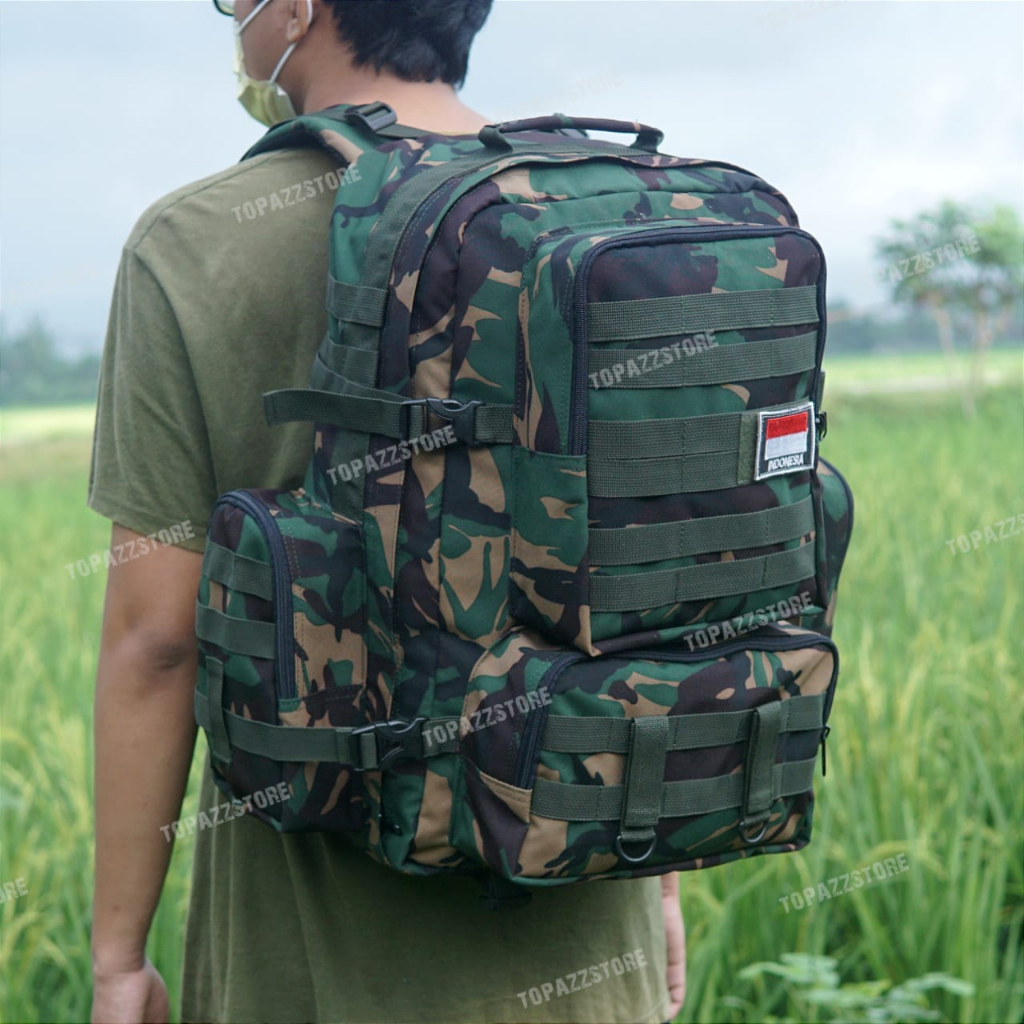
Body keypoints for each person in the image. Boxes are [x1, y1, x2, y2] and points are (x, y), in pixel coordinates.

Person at [87, 2, 685, 1021]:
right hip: (593, 913)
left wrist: (117, 961)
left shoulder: (191, 243)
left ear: (299, 9)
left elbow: (156, 641)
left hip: (311, 967)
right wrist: (659, 881)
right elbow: (653, 581)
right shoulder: (608, 212)